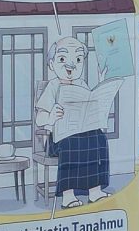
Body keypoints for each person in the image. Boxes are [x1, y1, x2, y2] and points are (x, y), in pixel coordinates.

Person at [35, 37, 114, 208]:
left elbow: (91, 107)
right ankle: (68, 195)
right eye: (62, 58)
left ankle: (95, 191)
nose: (70, 65)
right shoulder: (52, 86)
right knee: (71, 143)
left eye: (78, 59)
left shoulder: (81, 84)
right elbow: (39, 118)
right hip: (57, 139)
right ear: (51, 64)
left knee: (99, 139)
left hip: (82, 132)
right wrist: (50, 117)